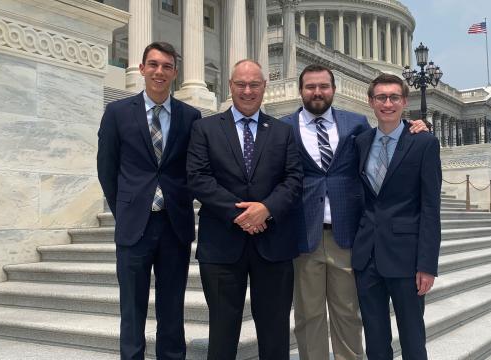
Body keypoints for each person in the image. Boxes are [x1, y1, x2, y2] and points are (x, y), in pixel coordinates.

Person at [279, 64, 427, 360]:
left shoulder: (356, 124)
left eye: (323, 86)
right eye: (310, 87)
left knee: (348, 314)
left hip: (346, 235)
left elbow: (388, 140)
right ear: (301, 91)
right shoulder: (284, 128)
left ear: (334, 89)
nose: (317, 92)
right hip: (303, 237)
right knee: (309, 316)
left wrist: (416, 126)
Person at [186, 59, 303, 359]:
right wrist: (241, 214)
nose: (247, 91)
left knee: (275, 333)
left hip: (273, 245)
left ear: (264, 87)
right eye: (241, 84)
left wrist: (266, 209)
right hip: (222, 245)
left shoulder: (282, 132)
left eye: (254, 84)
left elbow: (294, 179)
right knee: (222, 333)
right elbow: (198, 178)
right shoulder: (205, 128)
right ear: (230, 86)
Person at [97, 42, 200, 360]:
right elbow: (107, 168)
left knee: (172, 308)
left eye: (167, 66)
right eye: (153, 64)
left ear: (175, 73)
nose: (159, 71)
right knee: (132, 309)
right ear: (141, 68)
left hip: (174, 226)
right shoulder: (117, 113)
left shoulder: (190, 116)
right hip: (134, 227)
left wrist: (182, 202)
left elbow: (194, 170)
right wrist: (126, 209)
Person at [352, 74, 442, 360]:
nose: (387, 103)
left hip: (407, 258)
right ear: (371, 102)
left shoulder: (424, 143)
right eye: (381, 97)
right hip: (367, 257)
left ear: (404, 102)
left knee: (413, 338)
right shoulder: (361, 142)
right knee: (375, 338)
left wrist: (427, 264)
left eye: (393, 97)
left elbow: (430, 208)